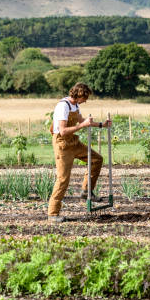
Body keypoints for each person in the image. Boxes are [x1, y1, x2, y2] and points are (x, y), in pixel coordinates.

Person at [48, 82, 111, 223]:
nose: (86, 101)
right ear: (79, 95)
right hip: (62, 144)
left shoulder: (75, 105)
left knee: (96, 159)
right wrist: (83, 125)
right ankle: (53, 214)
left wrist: (102, 125)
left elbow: (82, 121)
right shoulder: (63, 106)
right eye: (85, 97)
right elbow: (63, 131)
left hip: (73, 142)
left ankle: (86, 191)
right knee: (63, 179)